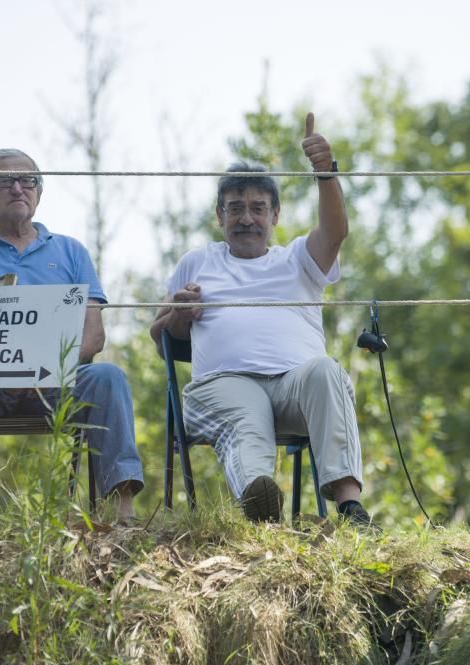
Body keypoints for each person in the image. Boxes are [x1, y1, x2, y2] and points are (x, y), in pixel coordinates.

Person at [150, 113, 373, 527]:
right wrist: (179, 315)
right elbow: (161, 335)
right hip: (221, 387)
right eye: (235, 209)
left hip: (295, 391)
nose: (246, 218)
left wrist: (325, 174)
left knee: (327, 371)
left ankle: (350, 507)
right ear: (219, 217)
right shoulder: (197, 261)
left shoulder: (297, 259)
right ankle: (260, 503)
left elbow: (336, 231)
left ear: (275, 216)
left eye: (257, 208)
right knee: (248, 408)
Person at [0, 148, 143, 521]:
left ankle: (120, 513)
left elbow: (93, 336)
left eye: (28, 180)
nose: (17, 187)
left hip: (57, 378)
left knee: (108, 376)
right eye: (3, 180)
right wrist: (8, 371)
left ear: (39, 193)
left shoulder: (70, 252)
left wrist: (38, 368)